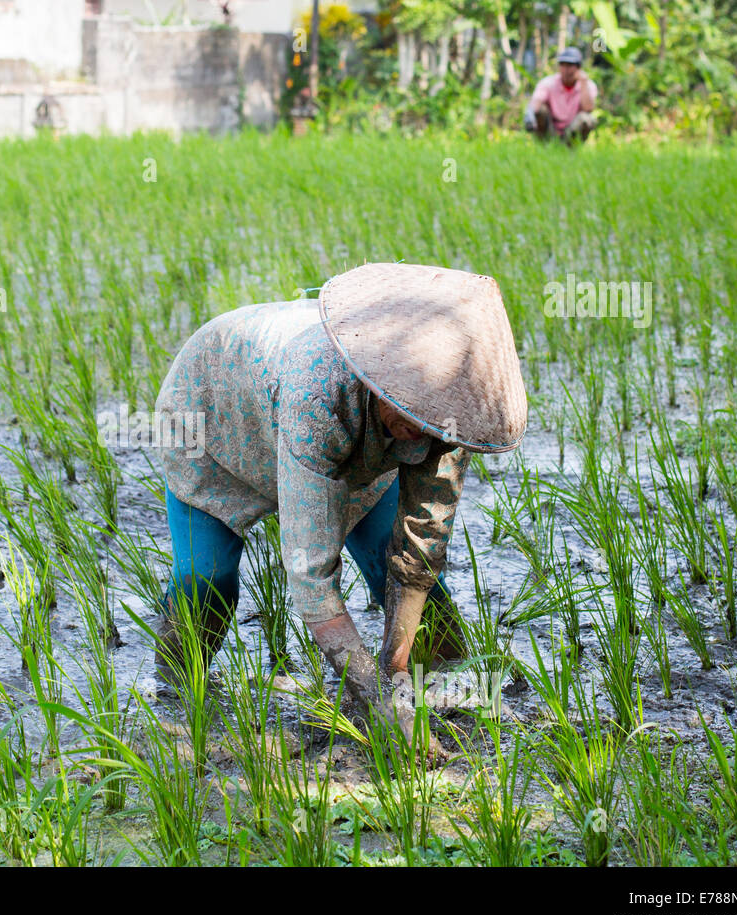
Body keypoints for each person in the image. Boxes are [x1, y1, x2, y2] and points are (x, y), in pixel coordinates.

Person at [152, 262, 528, 755]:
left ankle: (446, 689)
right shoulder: (320, 391)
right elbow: (310, 574)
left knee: (403, 575)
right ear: (378, 380)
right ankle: (177, 694)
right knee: (208, 578)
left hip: (348, 448)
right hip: (216, 424)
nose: (422, 430)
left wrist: (395, 680)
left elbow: (420, 548)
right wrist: (375, 700)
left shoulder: (448, 409)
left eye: (429, 420)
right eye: (409, 410)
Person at [524, 46, 599, 145]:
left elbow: (588, 108)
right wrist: (529, 113)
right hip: (551, 130)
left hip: (571, 131)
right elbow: (536, 100)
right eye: (562, 65)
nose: (566, 70)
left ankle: (571, 148)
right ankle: (544, 146)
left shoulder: (588, 85)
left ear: (578, 68)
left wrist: (583, 83)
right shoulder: (548, 83)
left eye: (570, 65)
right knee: (538, 110)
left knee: (586, 118)